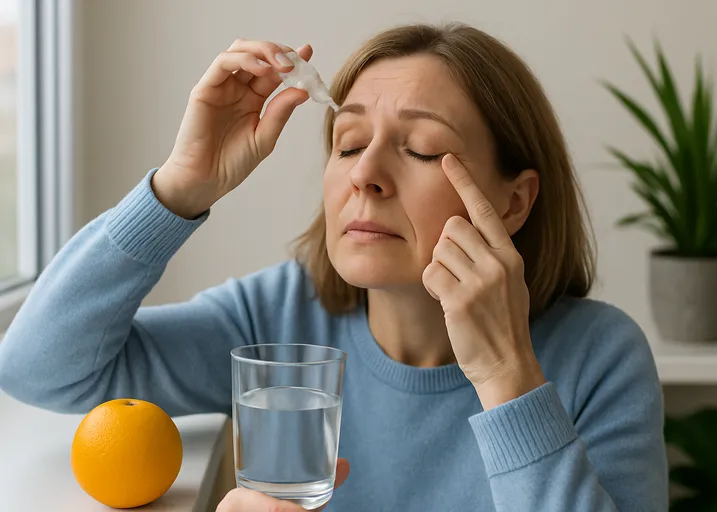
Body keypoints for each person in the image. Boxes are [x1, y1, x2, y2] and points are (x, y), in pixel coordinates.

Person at [0, 23, 668, 511]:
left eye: (422, 149)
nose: (366, 175)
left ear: (513, 200)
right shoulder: (276, 319)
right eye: (347, 144)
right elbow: (39, 368)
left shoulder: (598, 358)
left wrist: (506, 378)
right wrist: (178, 188)